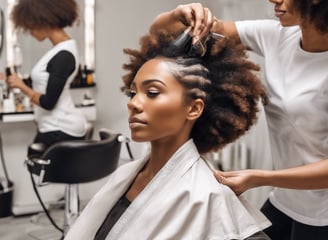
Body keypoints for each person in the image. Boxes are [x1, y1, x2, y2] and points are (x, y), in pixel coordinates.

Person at [65, 25, 271, 239]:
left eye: (152, 92)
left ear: (193, 108)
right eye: (132, 93)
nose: (134, 104)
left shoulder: (205, 195)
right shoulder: (126, 175)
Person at [148, 1, 328, 239]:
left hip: (322, 215)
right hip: (285, 201)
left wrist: (259, 177)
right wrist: (179, 14)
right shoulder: (276, 35)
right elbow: (163, 32)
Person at [3, 0, 88, 153]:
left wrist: (21, 86)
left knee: (39, 166)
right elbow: (44, 82)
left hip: (61, 129)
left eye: (31, 26)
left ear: (44, 21)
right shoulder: (60, 50)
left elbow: (48, 102)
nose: (30, 32)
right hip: (55, 127)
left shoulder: (63, 55)